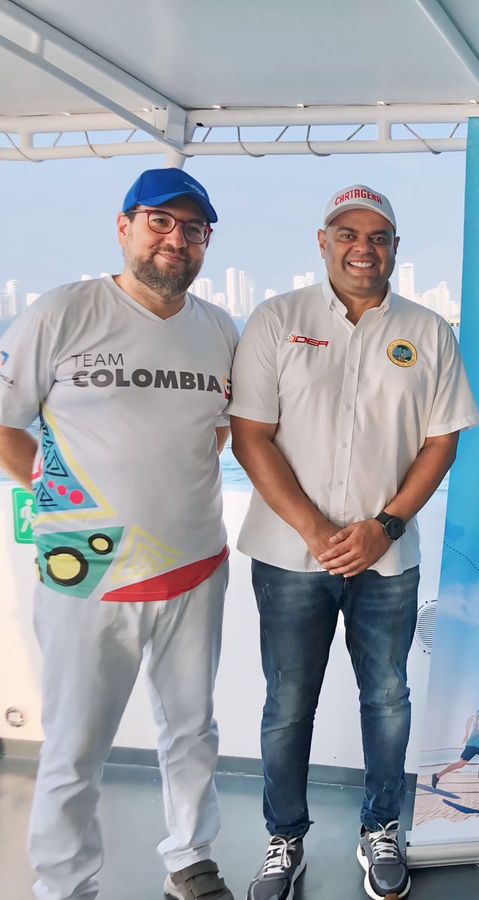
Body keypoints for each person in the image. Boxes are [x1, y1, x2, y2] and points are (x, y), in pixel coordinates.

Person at [231, 184, 479, 900]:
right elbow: (251, 437)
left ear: (396, 248)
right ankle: (285, 842)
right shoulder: (277, 321)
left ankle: (380, 830)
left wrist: (385, 527)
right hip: (287, 558)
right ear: (323, 241)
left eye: (378, 236)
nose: (363, 248)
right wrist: (315, 531)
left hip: (388, 559)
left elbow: (441, 443)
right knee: (287, 705)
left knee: (388, 699)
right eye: (348, 234)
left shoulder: (429, 331)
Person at [0, 168, 237, 900]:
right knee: (75, 743)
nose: (177, 239)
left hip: (196, 561)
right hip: (87, 565)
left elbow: (225, 434)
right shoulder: (62, 312)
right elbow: (7, 423)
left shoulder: (220, 329)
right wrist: (62, 503)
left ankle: (189, 859)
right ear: (124, 226)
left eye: (192, 229)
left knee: (192, 730)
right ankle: (64, 885)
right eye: (161, 222)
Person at [431, 695, 479, 788]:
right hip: (473, 745)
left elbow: (469, 720)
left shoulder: (478, 712)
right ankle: (437, 776)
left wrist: (466, 734)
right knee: (460, 764)